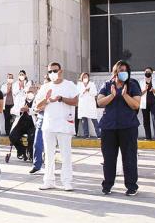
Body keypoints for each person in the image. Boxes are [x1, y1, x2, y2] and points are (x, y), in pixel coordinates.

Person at [97, 60, 142, 196]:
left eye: (126, 70)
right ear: (115, 71)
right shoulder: (107, 85)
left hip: (128, 126)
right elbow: (99, 102)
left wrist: (124, 95)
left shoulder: (132, 84)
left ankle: (131, 186)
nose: (124, 72)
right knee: (109, 157)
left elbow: (136, 105)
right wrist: (112, 95)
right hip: (109, 127)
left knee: (129, 157)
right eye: (121, 70)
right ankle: (107, 185)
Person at [34, 62, 79, 191]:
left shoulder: (69, 85)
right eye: (50, 71)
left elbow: (75, 102)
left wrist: (61, 99)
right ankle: (49, 180)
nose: (52, 73)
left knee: (66, 155)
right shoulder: (45, 87)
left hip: (65, 125)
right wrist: (47, 100)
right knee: (48, 154)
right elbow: (37, 106)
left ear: (61, 71)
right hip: (49, 125)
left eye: (55, 70)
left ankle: (67, 181)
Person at [8, 86, 36, 162]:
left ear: (35, 93)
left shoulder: (37, 100)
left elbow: (38, 110)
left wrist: (29, 110)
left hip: (32, 124)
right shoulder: (20, 100)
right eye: (28, 92)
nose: (30, 93)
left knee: (32, 138)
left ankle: (30, 153)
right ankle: (22, 151)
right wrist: (21, 110)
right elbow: (12, 110)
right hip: (21, 123)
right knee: (12, 136)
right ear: (26, 93)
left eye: (32, 92)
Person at [140, 67, 155, 142]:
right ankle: (148, 137)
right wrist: (145, 89)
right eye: (146, 71)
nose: (147, 73)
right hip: (144, 103)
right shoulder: (141, 82)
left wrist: (153, 89)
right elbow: (139, 93)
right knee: (146, 120)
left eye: (149, 72)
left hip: (153, 103)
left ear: (152, 73)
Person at [76, 72, 101, 138]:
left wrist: (89, 90)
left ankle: (99, 134)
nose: (85, 78)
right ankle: (86, 135)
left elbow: (95, 93)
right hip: (83, 105)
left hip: (91, 105)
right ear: (82, 78)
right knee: (84, 120)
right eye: (84, 77)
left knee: (94, 119)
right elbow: (78, 93)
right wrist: (84, 90)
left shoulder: (92, 84)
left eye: (86, 77)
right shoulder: (79, 85)